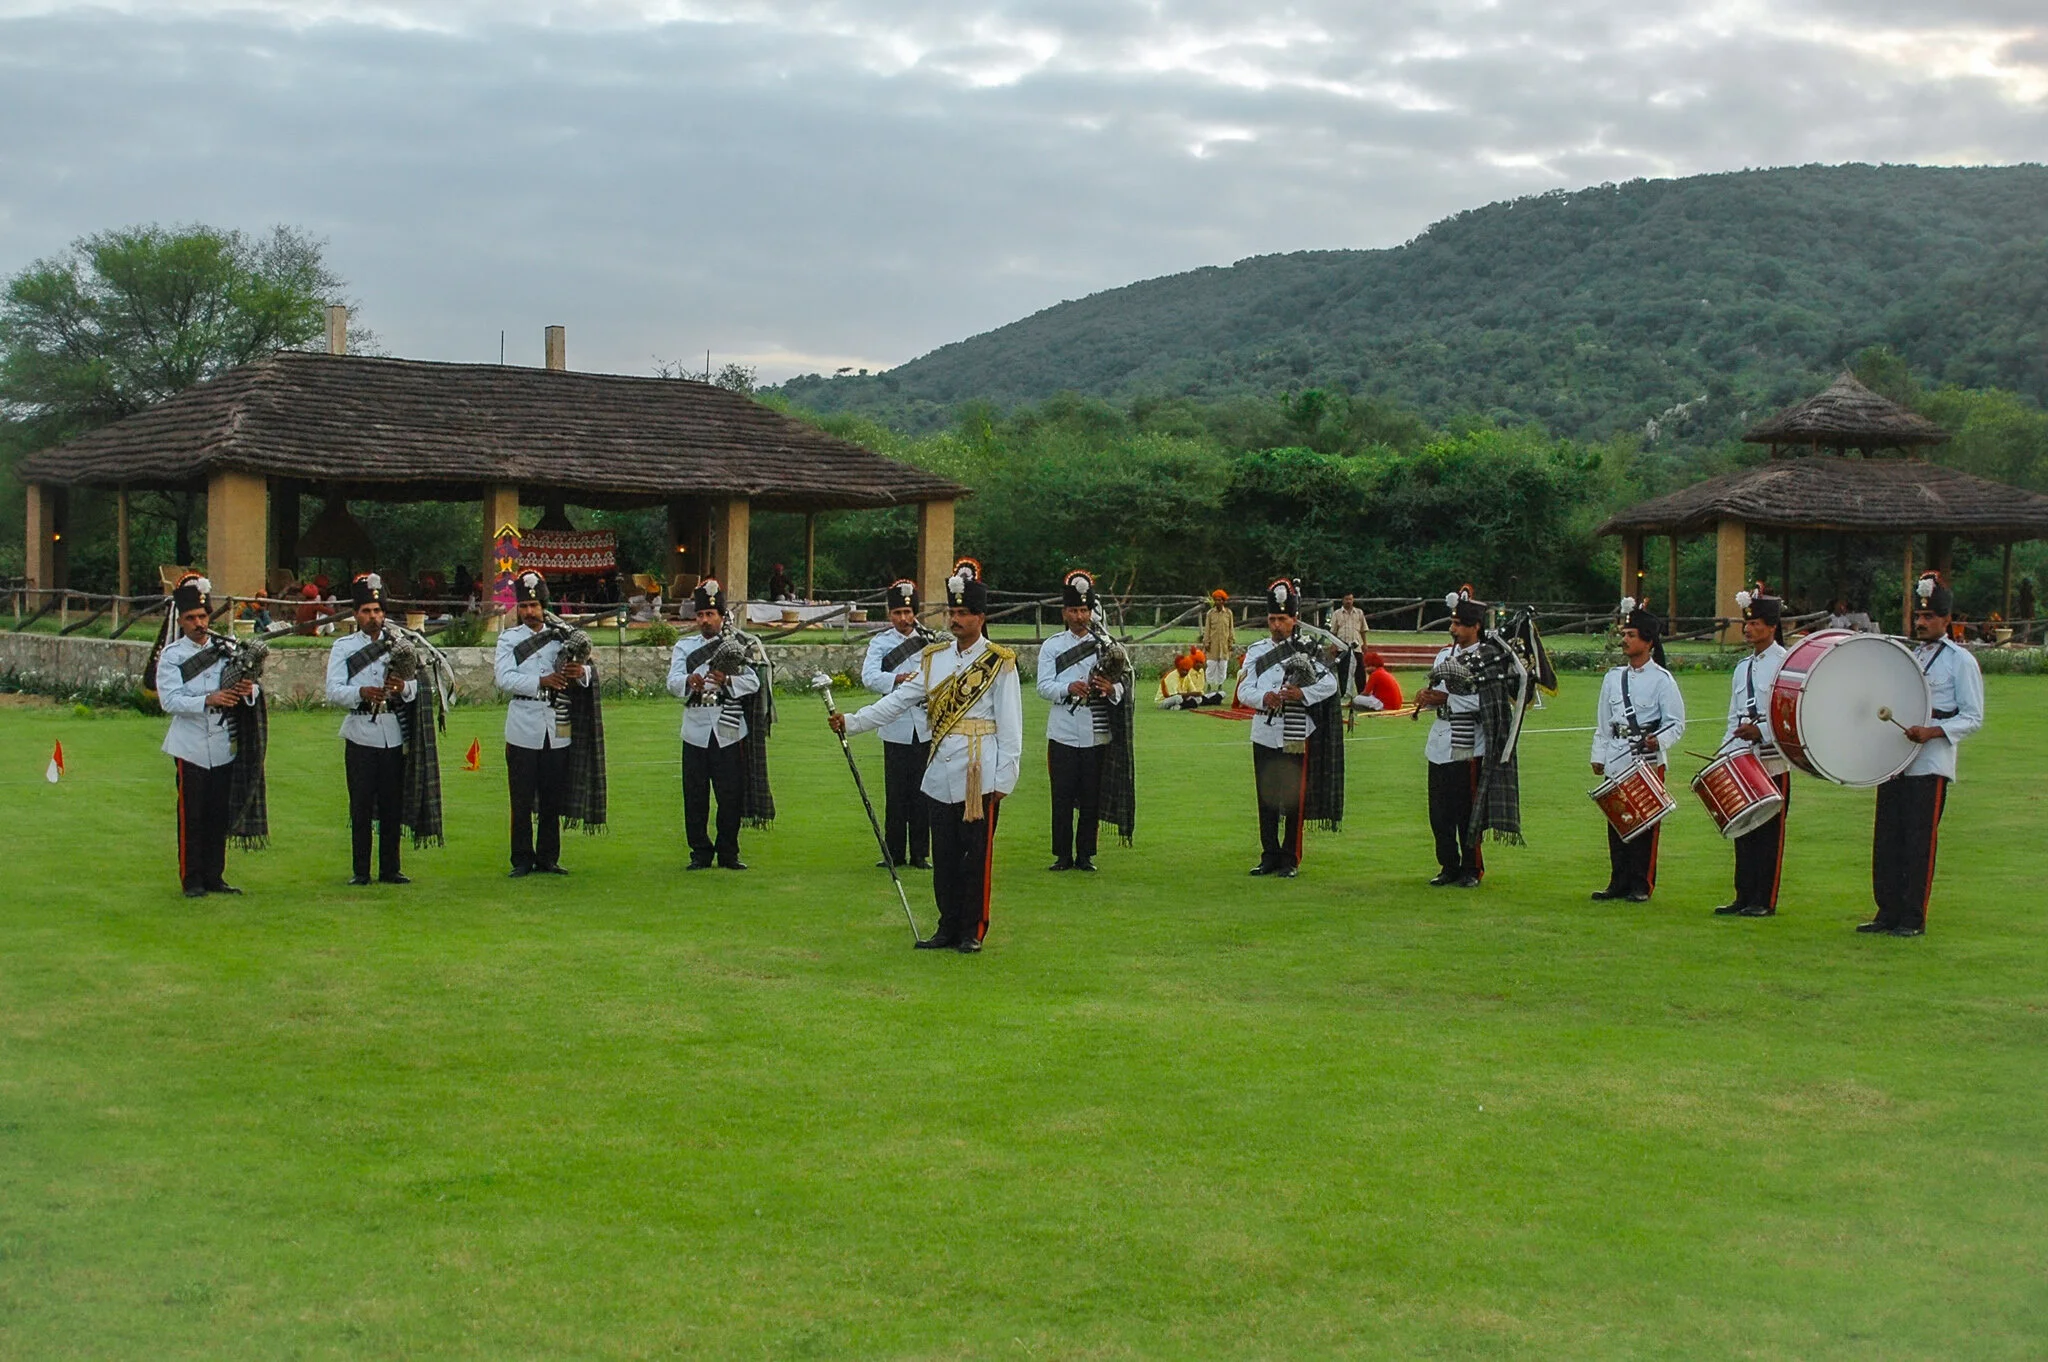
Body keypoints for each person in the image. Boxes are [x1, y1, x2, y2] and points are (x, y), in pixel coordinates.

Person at [831, 557, 1023, 953]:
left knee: (975, 858)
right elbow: (898, 700)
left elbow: (1011, 725)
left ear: (980, 617)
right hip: (941, 771)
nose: (956, 619)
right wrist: (852, 722)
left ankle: (972, 930)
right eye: (952, 612)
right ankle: (946, 926)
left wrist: (1005, 777)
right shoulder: (935, 658)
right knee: (946, 856)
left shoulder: (999, 663)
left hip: (980, 770)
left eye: (963, 614)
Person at [1862, 572, 1984, 938]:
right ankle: (1887, 912)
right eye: (1918, 615)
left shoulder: (1960, 661)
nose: (1921, 622)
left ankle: (1912, 917)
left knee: (1918, 843)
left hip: (1930, 763)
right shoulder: (1911, 657)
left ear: (1947, 620)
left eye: (1929, 616)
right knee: (1887, 840)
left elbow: (1972, 717)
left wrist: (1932, 732)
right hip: (1895, 761)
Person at [154, 574, 266, 897]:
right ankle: (191, 879)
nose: (199, 624)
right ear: (181, 621)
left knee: (218, 813)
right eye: (191, 618)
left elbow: (252, 689)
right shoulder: (172, 656)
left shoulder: (226, 649)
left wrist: (247, 691)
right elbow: (169, 701)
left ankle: (215, 876)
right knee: (192, 815)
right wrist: (208, 699)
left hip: (222, 742)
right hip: (189, 744)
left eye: (203, 617)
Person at [1236, 578, 1342, 878]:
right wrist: (1264, 697)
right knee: (1266, 797)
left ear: (1294, 619)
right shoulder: (1257, 651)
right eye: (1272, 619)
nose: (1276, 625)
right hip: (1264, 731)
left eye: (1282, 619)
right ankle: (1269, 855)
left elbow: (1330, 684)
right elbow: (1244, 690)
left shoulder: (1308, 648)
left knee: (1294, 798)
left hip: (1296, 731)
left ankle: (1290, 858)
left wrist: (1301, 693)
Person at [494, 569, 597, 877]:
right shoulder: (509, 639)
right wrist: (540, 681)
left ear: (544, 606)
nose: (529, 612)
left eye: (534, 605)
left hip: (558, 722)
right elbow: (503, 678)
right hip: (523, 722)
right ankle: (522, 859)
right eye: (524, 606)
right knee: (522, 798)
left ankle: (548, 858)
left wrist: (581, 673)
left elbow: (588, 669)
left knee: (553, 796)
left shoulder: (564, 635)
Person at [1035, 569, 1134, 870]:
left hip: (1097, 731)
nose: (1079, 616)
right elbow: (1043, 686)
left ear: (1091, 611)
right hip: (1063, 731)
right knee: (1062, 797)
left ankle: (1085, 855)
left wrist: (1111, 689)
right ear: (1064, 613)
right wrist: (1068, 688)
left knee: (1092, 797)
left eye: (1084, 610)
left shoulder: (1108, 645)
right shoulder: (1052, 646)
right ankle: (1062, 855)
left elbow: (1126, 681)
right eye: (1074, 610)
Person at [326, 573, 420, 885]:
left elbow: (416, 688)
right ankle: (361, 871)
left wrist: (403, 687)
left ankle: (391, 868)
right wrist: (362, 692)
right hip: (360, 733)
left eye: (377, 611)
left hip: (393, 733)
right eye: (366, 611)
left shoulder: (400, 645)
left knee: (392, 804)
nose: (373, 617)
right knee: (361, 806)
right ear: (356, 614)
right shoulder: (344, 647)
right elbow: (333, 690)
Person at [1590, 599, 1685, 902]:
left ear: (1648, 641)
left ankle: (1641, 884)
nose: (1625, 640)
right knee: (1617, 821)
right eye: (1624, 634)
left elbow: (1676, 723)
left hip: (1646, 760)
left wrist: (1659, 740)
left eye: (1631, 635)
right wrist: (1599, 755)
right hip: (1617, 756)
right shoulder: (1612, 678)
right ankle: (1618, 881)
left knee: (1645, 824)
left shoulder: (1662, 680)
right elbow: (1604, 721)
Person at [666, 578, 764, 871]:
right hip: (695, 729)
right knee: (695, 797)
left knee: (730, 796)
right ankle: (699, 852)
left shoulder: (737, 645)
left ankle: (728, 852)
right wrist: (689, 681)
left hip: (729, 729)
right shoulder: (685, 647)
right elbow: (672, 683)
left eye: (710, 614)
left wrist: (728, 680)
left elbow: (753, 682)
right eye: (700, 615)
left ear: (721, 616)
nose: (704, 620)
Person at [1716, 588, 1791, 918]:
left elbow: (1790, 715)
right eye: (1746, 623)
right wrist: (1725, 753)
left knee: (1768, 835)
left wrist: (1761, 732)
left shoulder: (1785, 664)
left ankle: (1764, 899)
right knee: (1743, 829)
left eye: (1756, 624)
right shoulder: (1742, 667)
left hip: (1772, 761)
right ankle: (1743, 895)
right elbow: (1734, 717)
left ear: (1772, 627)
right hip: (1744, 760)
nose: (1748, 629)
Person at [860, 579, 935, 870]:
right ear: (889, 614)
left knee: (922, 792)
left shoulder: (929, 640)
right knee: (895, 794)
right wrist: (899, 680)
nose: (903, 619)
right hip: (895, 724)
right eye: (897, 613)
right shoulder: (880, 642)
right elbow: (869, 677)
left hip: (924, 725)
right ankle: (894, 853)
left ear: (915, 612)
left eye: (907, 612)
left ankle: (920, 854)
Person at [1328, 592, 1369, 697]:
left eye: (1350, 599)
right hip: (1342, 647)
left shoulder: (1359, 613)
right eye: (1346, 599)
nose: (1348, 601)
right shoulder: (1337, 613)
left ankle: (1362, 692)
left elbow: (1363, 630)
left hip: (1356, 646)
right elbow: (1333, 631)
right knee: (1343, 671)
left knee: (1360, 671)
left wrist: (1365, 644)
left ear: (1353, 600)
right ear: (1343, 600)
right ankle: (1343, 693)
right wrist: (1333, 645)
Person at [1201, 590, 1236, 698]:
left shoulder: (1228, 613)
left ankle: (1220, 685)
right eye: (1216, 600)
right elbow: (1207, 629)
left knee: (1223, 666)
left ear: (1223, 601)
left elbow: (1231, 628)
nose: (1217, 602)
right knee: (1211, 665)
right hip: (1213, 645)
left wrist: (1231, 641)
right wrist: (1206, 642)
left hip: (1224, 645)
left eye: (1219, 600)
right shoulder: (1210, 613)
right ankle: (1209, 686)